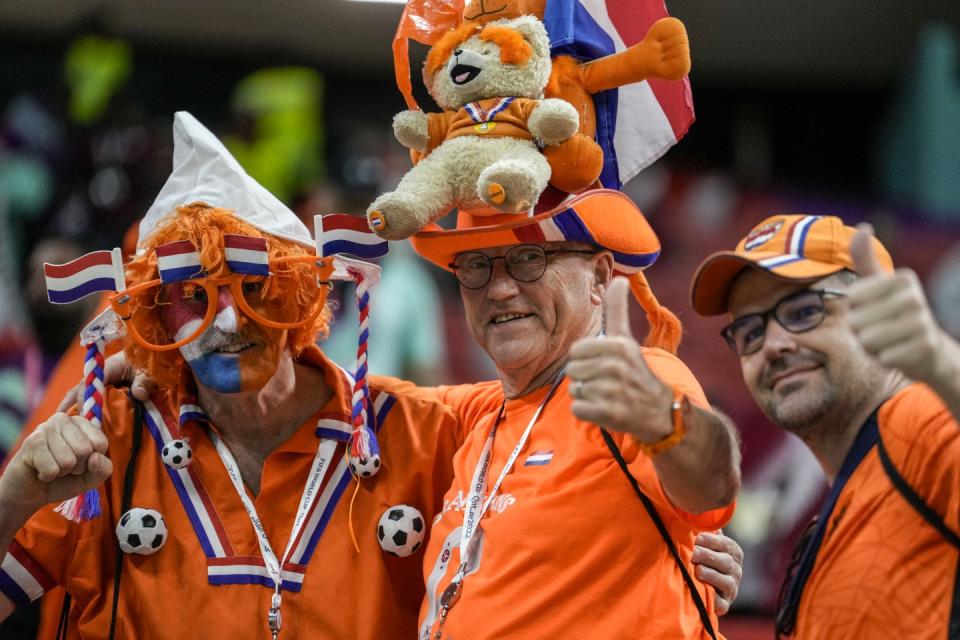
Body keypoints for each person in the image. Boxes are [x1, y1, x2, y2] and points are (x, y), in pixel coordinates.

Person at [0, 114, 742, 638]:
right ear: (157, 315)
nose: (225, 322)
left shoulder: (421, 428)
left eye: (253, 290)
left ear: (299, 298)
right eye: (190, 301)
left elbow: (648, 461)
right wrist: (18, 491)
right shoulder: (108, 436)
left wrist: (672, 535)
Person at [408, 189, 742, 639]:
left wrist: (665, 423)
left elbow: (710, 489)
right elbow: (336, 397)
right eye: (476, 265)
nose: (500, 288)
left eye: (529, 258)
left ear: (600, 278)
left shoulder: (637, 385)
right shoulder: (479, 413)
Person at [689, 214, 960, 638]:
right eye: (750, 331)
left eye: (804, 312)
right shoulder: (842, 505)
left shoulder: (920, 424)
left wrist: (940, 363)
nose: (774, 345)